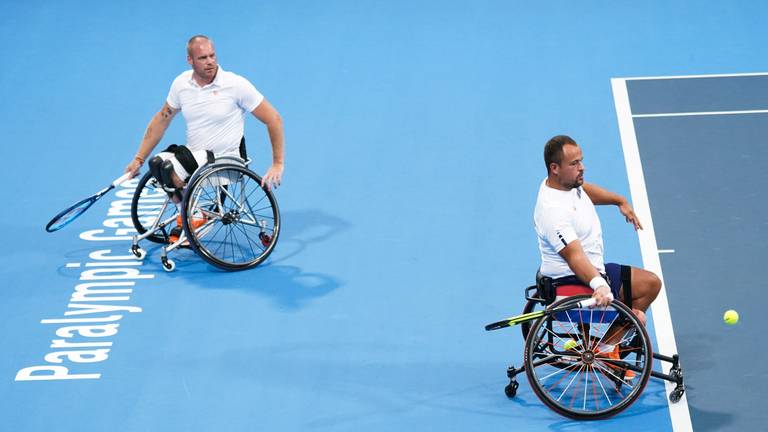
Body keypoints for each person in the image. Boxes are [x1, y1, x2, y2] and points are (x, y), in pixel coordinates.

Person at [123, 35, 284, 242]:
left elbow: (274, 119)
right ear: (190, 60)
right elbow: (162, 119)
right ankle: (192, 213)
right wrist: (138, 159)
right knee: (157, 164)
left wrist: (277, 164)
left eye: (212, 55)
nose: (210, 62)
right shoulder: (181, 84)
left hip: (225, 160)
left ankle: (192, 215)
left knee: (167, 169)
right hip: (195, 157)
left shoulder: (236, 85)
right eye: (202, 58)